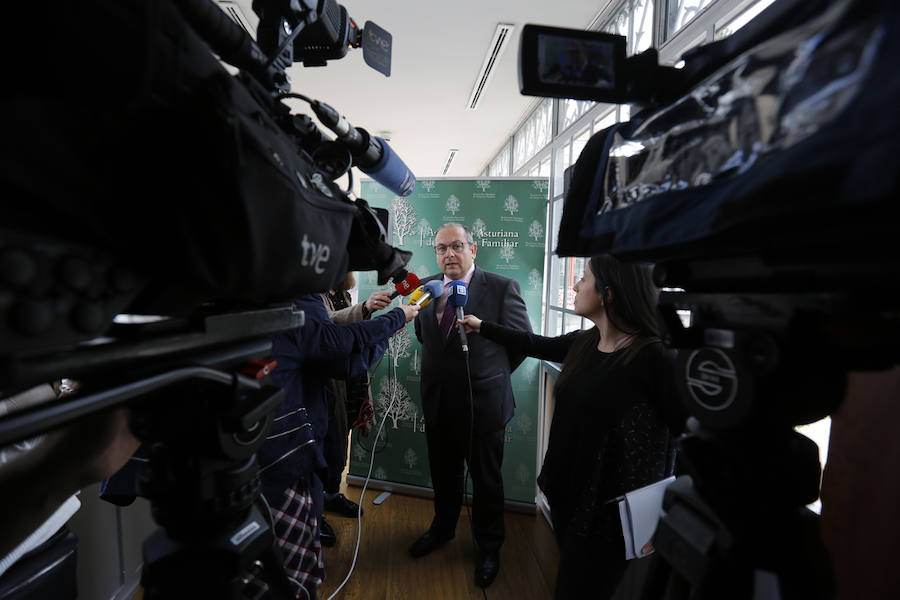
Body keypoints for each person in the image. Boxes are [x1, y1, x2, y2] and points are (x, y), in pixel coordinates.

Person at [458, 255, 685, 599]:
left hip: (609, 518)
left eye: (584, 278)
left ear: (609, 293)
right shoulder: (585, 343)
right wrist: (482, 326)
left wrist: (667, 514)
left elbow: (687, 439)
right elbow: (533, 343)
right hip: (568, 498)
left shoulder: (655, 358)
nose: (575, 285)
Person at [261, 294, 418, 599]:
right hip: (290, 442)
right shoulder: (301, 296)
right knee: (291, 557)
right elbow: (336, 345)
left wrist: (380, 322)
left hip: (297, 423)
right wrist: (394, 321)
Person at [408, 223, 532, 588]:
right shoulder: (425, 288)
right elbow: (424, 336)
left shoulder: (502, 288)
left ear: (473, 249)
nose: (449, 254)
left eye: (457, 246)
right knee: (443, 473)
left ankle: (489, 546)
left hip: (485, 405)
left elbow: (521, 343)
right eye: (441, 248)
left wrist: (490, 377)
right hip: (439, 402)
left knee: (487, 480)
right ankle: (442, 528)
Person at [318, 274, 393, 545]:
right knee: (322, 449)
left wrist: (368, 312)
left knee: (340, 444)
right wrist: (365, 308)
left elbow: (350, 328)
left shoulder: (342, 292)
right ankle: (313, 515)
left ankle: (331, 496)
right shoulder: (310, 293)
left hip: (349, 380)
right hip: (325, 384)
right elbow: (329, 327)